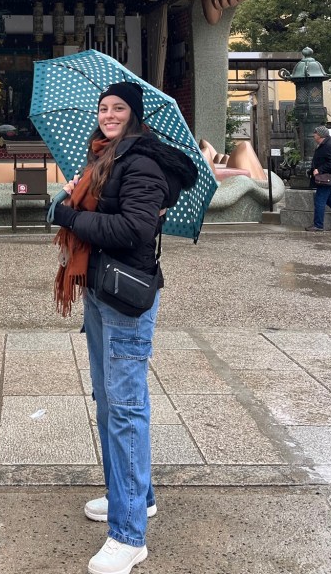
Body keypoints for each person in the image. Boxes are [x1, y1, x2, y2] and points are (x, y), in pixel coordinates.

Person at [49, 82, 197, 574]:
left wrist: (68, 214)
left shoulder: (141, 162)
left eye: (118, 108)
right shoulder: (107, 158)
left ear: (134, 114)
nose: (108, 114)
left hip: (124, 299)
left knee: (125, 410)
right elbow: (112, 213)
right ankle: (136, 497)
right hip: (100, 289)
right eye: (103, 108)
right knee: (110, 401)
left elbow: (134, 229)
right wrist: (78, 194)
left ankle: (129, 535)